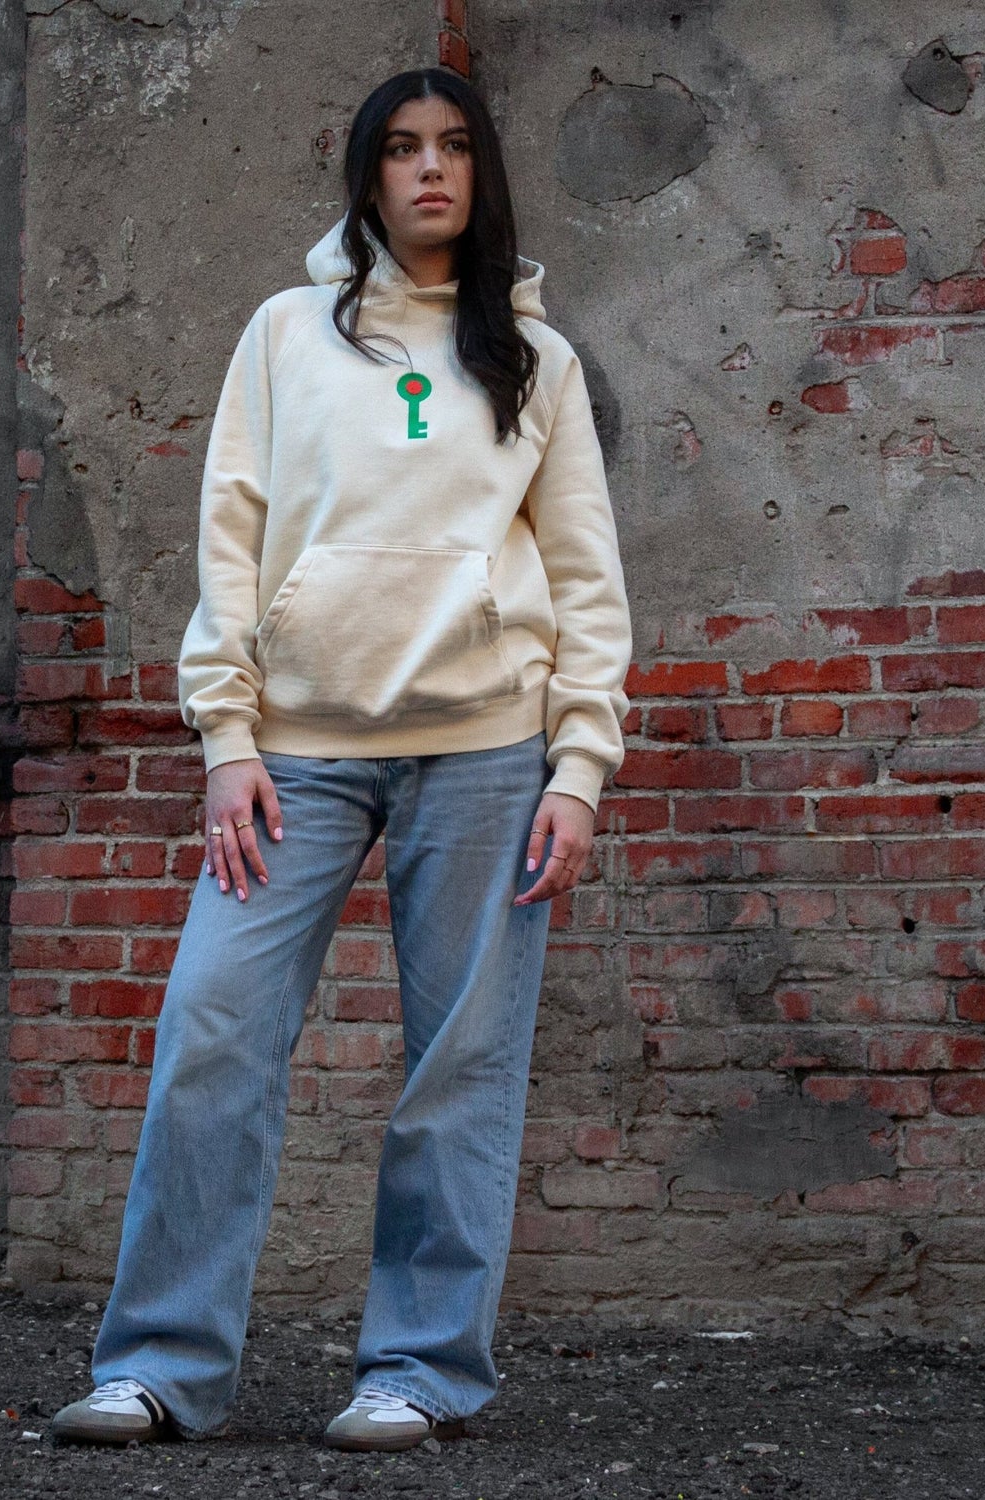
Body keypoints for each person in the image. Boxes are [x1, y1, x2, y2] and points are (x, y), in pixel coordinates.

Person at [51, 66, 632, 1454]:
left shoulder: (535, 363)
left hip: (488, 755)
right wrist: (226, 738)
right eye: (401, 149)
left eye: (454, 149)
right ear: (366, 175)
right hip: (296, 760)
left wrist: (579, 766)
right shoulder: (284, 335)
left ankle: (419, 1370)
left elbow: (585, 576)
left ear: (483, 175)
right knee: (213, 1030)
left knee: (461, 1067)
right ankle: (159, 1367)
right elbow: (233, 538)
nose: (430, 170)